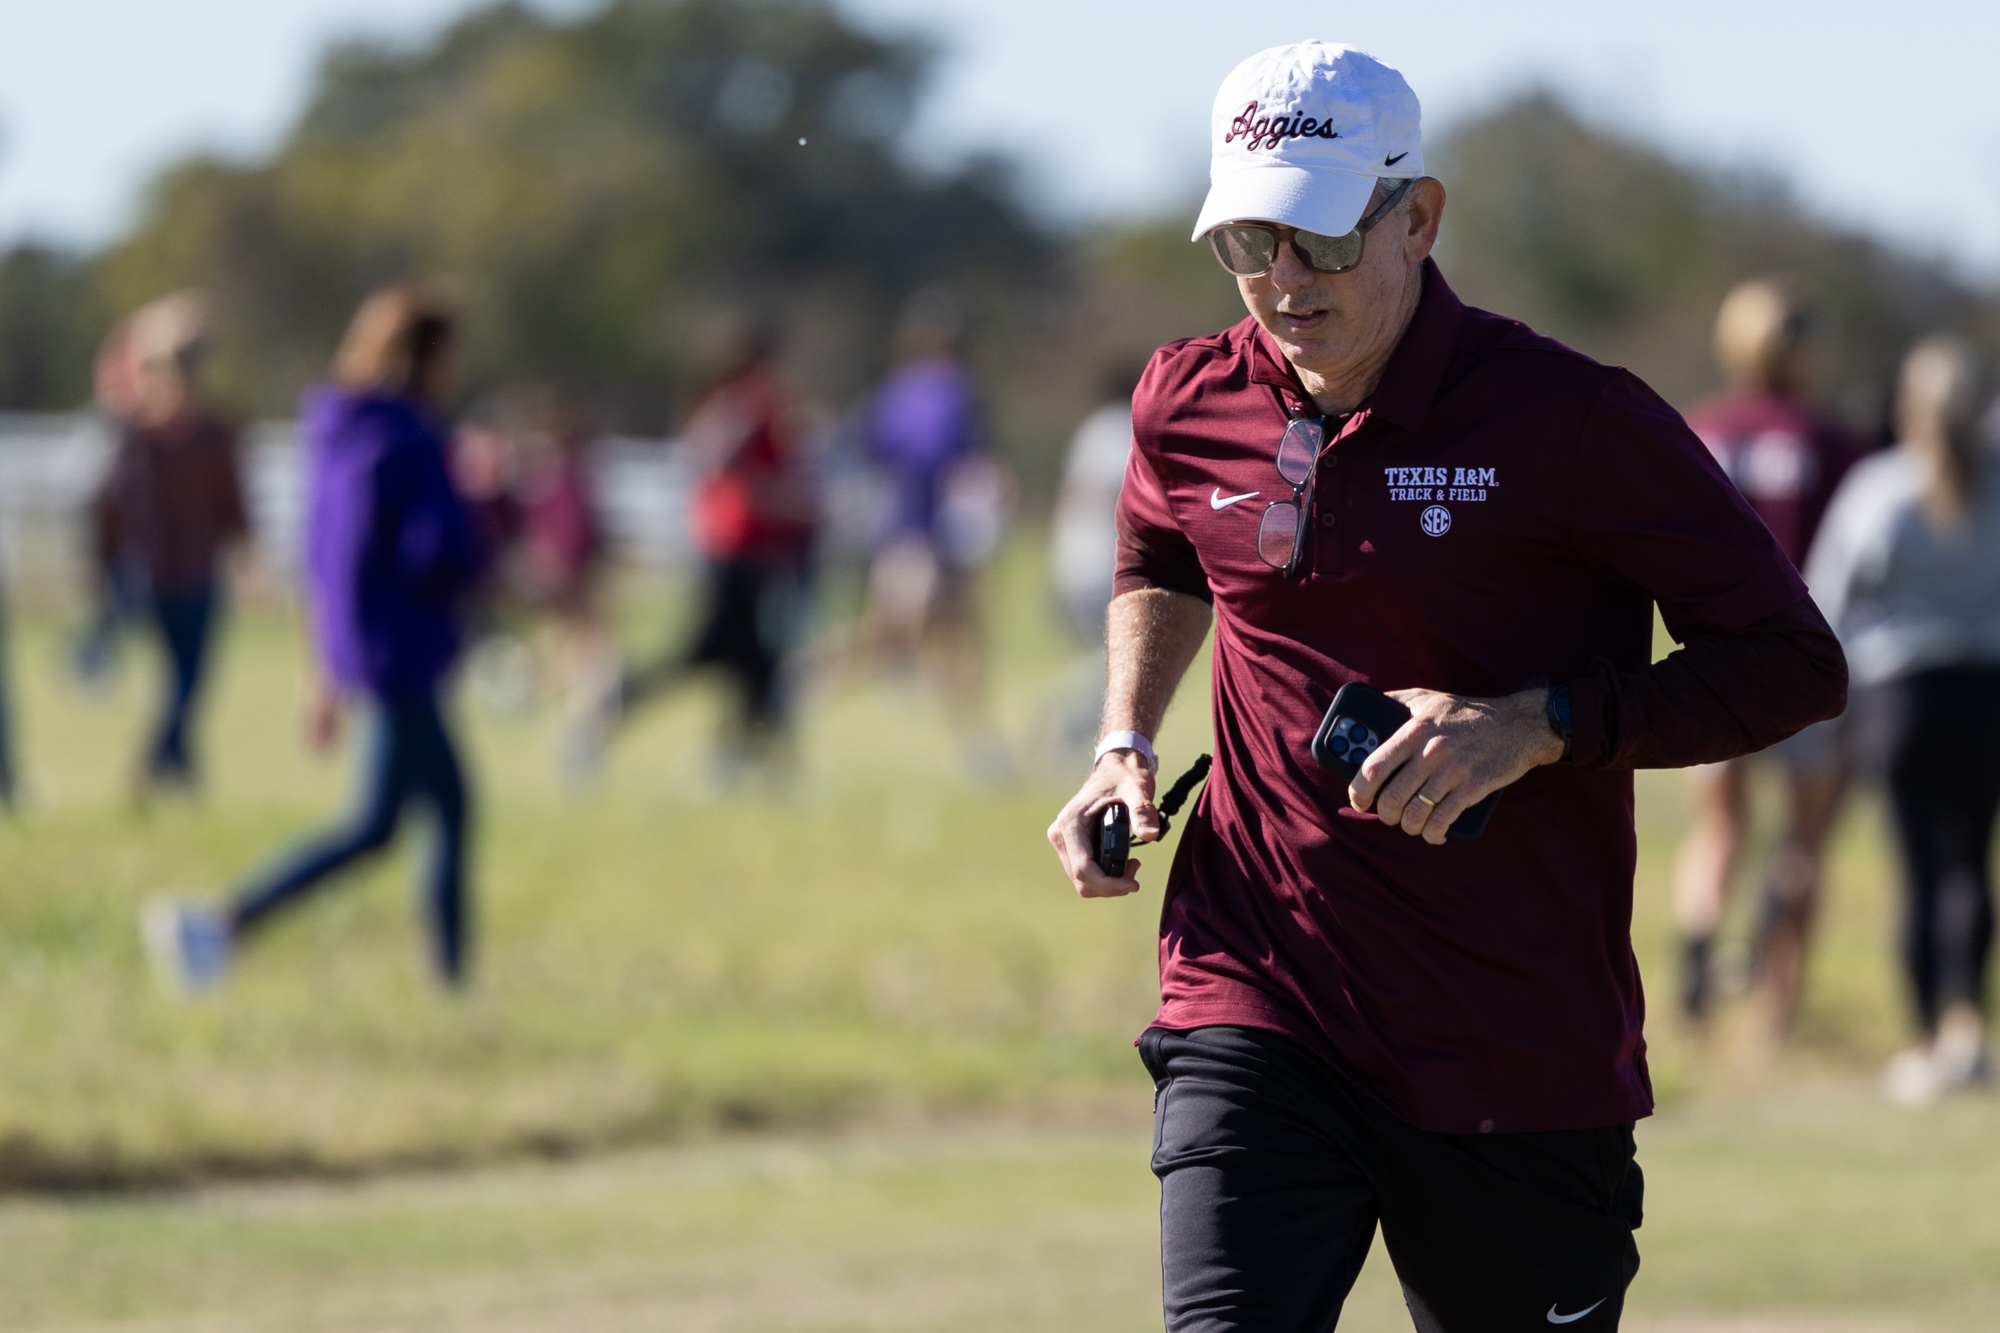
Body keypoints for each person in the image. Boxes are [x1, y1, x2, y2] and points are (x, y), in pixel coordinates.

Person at [1045, 42, 1846, 1331]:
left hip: (1512, 1042)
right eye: (1247, 242)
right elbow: (1156, 549)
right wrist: (1121, 736)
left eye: (1315, 236)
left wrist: (1534, 726)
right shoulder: (1184, 398)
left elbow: (1792, 667)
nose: (1279, 284)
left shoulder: (1575, 423)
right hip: (1257, 990)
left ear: (1414, 216)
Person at [143, 284, 484, 990]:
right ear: (426, 355)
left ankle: (454, 981)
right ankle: (218, 922)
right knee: (372, 826)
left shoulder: (342, 432)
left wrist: (326, 663)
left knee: (451, 806)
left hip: (370, 646)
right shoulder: (406, 437)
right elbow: (425, 548)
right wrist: (474, 522)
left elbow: (325, 558)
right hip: (402, 652)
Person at [1806, 336, 2000, 1105]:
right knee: (1970, 864)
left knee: (1919, 872)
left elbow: (1826, 600)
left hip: (1902, 700)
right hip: (1988, 692)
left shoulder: (1878, 487)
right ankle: (1967, 1028)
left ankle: (1924, 1040)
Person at [1670, 278, 1863, 1030]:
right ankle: (1775, 1012)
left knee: (1719, 829)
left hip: (1711, 660)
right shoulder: (1833, 444)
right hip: (1803, 663)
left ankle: (1697, 962)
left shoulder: (1699, 429)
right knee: (1803, 839)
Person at [603, 315, 815, 778]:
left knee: (753, 659)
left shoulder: (728, 403)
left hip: (734, 545)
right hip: (738, 545)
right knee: (714, 652)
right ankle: (614, 704)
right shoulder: (750, 405)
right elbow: (731, 468)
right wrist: (786, 502)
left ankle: (750, 756)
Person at [90, 291, 248, 792]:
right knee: (179, 678)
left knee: (193, 677)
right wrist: (108, 572)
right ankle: (161, 764)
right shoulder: (138, 438)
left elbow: (233, 503)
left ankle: (174, 766)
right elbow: (111, 510)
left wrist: (247, 555)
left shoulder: (215, 435)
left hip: (200, 569)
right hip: (155, 574)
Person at [862, 287, 1010, 779]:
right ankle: (788, 689)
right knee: (903, 640)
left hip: (907, 533)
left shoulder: (897, 389)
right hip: (925, 535)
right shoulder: (952, 392)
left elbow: (874, 450)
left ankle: (980, 746)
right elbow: (958, 461)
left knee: (948, 639)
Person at [1048, 362, 1141, 753]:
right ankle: (1064, 721)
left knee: (1112, 658)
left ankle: (1078, 737)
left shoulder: (1091, 430)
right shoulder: (1126, 430)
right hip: (1105, 560)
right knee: (1123, 660)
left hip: (1068, 557)